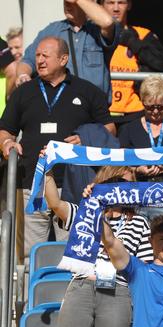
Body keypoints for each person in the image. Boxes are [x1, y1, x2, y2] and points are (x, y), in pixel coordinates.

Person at [43, 164, 151, 327]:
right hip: (81, 287)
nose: (123, 190)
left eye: (129, 185)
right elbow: (55, 203)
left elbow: (143, 266)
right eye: (118, 183)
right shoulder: (86, 212)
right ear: (105, 182)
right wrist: (48, 170)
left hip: (118, 292)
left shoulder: (141, 222)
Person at [0, 37, 114, 264]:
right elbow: (5, 129)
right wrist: (6, 144)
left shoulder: (87, 91)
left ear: (63, 59)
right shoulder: (24, 92)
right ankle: (28, 299)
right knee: (29, 255)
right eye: (38, 55)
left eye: (45, 56)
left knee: (71, 251)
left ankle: (67, 300)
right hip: (31, 184)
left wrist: (86, 138)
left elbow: (109, 129)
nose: (39, 61)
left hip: (74, 186)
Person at [16, 0, 121, 103]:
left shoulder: (97, 30)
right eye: (65, 1)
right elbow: (28, 60)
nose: (67, 4)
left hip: (94, 108)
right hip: (61, 106)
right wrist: (23, 75)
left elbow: (108, 23)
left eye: (72, 2)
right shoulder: (52, 30)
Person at [102, 0, 163, 126]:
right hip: (102, 113)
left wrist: (132, 42)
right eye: (110, 3)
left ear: (129, 5)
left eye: (121, 2)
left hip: (135, 112)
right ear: (101, 5)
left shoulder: (143, 35)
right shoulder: (92, 35)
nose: (116, 8)